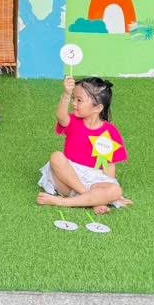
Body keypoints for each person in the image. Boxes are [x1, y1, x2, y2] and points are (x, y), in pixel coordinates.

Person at [36, 76, 132, 214]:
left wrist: (109, 185)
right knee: (56, 157)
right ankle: (90, 198)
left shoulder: (109, 132)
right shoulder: (73, 121)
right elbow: (61, 117)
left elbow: (108, 165)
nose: (74, 103)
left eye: (79, 100)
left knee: (116, 191)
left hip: (94, 180)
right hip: (68, 179)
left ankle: (64, 201)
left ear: (98, 107)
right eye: (73, 98)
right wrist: (66, 94)